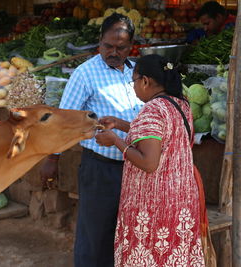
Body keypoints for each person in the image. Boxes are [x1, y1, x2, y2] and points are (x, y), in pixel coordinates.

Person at [40, 13, 143, 267]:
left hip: (136, 168)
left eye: (121, 47)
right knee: (95, 236)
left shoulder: (136, 73)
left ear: (131, 46)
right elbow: (64, 123)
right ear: (100, 42)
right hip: (101, 169)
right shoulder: (85, 74)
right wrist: (52, 159)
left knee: (128, 234)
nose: (114, 52)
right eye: (108, 46)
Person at [95, 54, 206, 266]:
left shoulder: (152, 109)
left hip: (154, 203)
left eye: (133, 81)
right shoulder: (180, 104)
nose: (134, 87)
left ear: (145, 81)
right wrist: (119, 124)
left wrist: (115, 140)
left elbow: (148, 162)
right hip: (181, 199)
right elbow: (157, 135)